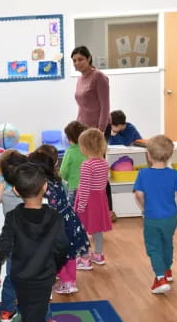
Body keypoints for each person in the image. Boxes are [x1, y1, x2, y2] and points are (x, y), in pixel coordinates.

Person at [0, 162, 69, 322]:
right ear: (45, 187)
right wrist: (55, 266)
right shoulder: (55, 217)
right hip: (45, 276)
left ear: (16, 190)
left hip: (20, 276)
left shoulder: (13, 217)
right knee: (38, 311)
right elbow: (62, 246)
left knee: (27, 311)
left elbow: (3, 245)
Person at [133, 135, 177, 294]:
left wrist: (144, 207)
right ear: (169, 156)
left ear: (148, 155)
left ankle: (160, 278)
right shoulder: (174, 174)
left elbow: (139, 194)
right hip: (170, 219)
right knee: (167, 243)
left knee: (154, 248)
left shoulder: (143, 174)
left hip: (152, 219)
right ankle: (167, 271)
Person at [29, 146, 90, 294]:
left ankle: (66, 280)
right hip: (69, 220)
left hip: (57, 224)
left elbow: (45, 208)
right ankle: (71, 282)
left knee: (54, 254)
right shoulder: (56, 180)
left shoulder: (43, 187)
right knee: (70, 253)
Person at [72, 46, 115, 221]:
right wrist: (76, 127)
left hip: (98, 131)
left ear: (89, 58)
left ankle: (108, 210)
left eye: (80, 59)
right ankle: (90, 207)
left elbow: (105, 106)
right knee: (86, 170)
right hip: (84, 130)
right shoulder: (81, 78)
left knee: (98, 171)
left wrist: (100, 131)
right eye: (74, 60)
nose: (77, 63)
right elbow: (82, 107)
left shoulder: (99, 77)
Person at [0, 149, 28, 322]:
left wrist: (1, 181)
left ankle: (7, 310)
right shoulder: (29, 188)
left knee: (11, 277)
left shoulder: (5, 187)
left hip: (12, 240)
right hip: (31, 240)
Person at [74, 128, 112, 270]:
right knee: (97, 229)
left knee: (81, 230)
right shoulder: (103, 163)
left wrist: (81, 206)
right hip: (100, 199)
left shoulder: (87, 165)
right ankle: (98, 254)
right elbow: (103, 183)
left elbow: (84, 187)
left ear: (84, 147)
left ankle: (84, 259)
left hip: (88, 200)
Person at [60, 121, 88, 205]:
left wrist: (66, 178)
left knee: (73, 208)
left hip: (73, 186)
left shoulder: (69, 152)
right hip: (88, 187)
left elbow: (63, 171)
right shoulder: (88, 150)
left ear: (70, 139)